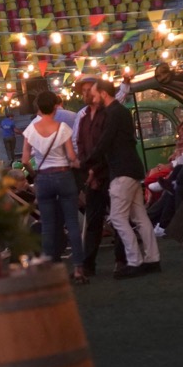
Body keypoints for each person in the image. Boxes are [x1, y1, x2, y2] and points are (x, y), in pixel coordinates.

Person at [84, 79, 160, 278]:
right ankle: (152, 258)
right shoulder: (120, 111)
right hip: (131, 168)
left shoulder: (112, 113)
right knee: (140, 216)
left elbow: (105, 141)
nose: (93, 98)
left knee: (118, 217)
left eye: (94, 94)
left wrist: (86, 163)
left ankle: (135, 261)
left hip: (122, 170)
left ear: (103, 93)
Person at [22, 91, 87, 284]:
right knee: (72, 223)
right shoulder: (62, 128)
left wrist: (35, 175)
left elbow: (25, 160)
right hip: (64, 175)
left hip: (43, 178)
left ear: (38, 108)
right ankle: (78, 269)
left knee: (48, 226)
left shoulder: (30, 130)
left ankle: (50, 272)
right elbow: (72, 157)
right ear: (55, 107)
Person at [75, 76, 126, 276]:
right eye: (83, 91)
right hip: (92, 175)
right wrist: (87, 170)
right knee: (93, 221)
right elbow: (80, 144)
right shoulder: (83, 117)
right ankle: (89, 264)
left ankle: (121, 260)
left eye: (89, 89)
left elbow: (106, 145)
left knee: (118, 218)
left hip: (109, 172)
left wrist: (93, 170)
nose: (86, 93)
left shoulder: (108, 115)